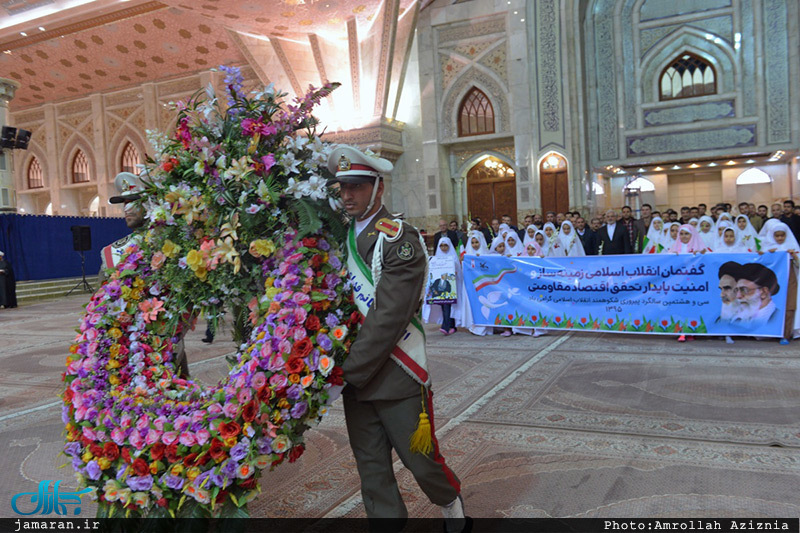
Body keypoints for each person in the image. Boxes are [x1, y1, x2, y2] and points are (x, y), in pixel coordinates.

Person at [327, 145, 466, 528]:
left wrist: (345, 373)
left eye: (356, 186)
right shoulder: (336, 238)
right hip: (354, 378)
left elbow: (389, 316)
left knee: (421, 462)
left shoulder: (398, 238)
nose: (347, 196)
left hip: (396, 374)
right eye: (342, 188)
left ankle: (450, 501)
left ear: (378, 187)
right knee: (371, 468)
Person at [760, 221, 799, 342]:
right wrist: (767, 255)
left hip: (790, 279)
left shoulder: (792, 247)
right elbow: (759, 264)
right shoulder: (768, 248)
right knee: (771, 306)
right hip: (772, 283)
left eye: (782, 235)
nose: (780, 238)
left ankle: (785, 335)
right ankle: (771, 333)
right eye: (777, 235)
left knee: (789, 306)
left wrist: (794, 256)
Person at [423, 237, 462, 336]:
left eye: (445, 245)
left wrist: (455, 273)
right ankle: (451, 326)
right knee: (444, 305)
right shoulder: (435, 259)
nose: (444, 248)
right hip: (439, 287)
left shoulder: (453, 258)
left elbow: (458, 273)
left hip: (450, 287)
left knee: (448, 305)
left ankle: (446, 327)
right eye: (441, 246)